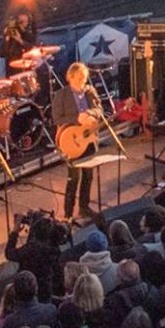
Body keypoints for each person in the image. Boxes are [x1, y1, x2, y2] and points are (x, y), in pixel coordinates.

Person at [51, 62, 104, 222]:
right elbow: (57, 118)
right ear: (70, 77)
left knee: (88, 175)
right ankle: (68, 213)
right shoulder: (61, 95)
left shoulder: (89, 91)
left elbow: (100, 109)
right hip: (72, 141)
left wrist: (90, 114)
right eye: (79, 78)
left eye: (84, 78)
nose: (82, 81)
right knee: (73, 178)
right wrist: (76, 118)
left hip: (88, 140)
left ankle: (84, 207)